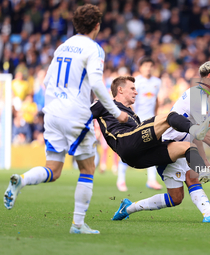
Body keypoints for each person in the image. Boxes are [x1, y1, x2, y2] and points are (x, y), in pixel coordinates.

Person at [3, 4, 128, 234]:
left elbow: (46, 82)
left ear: (76, 25)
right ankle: (78, 225)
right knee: (88, 168)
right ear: (97, 26)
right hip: (75, 114)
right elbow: (97, 84)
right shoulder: (94, 49)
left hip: (52, 113)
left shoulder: (62, 47)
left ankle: (22, 180)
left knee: (54, 169)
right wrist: (116, 111)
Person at [112, 61, 210, 223]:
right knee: (181, 191)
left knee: (183, 189)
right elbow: (204, 135)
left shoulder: (199, 96)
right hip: (167, 147)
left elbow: (197, 134)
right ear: (209, 77)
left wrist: (204, 160)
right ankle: (208, 214)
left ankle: (208, 214)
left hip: (182, 147)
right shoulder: (196, 97)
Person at [91, 75, 210, 185]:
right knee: (169, 117)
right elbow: (83, 115)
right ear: (120, 89)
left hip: (137, 158)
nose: (136, 92)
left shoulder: (134, 116)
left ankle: (203, 171)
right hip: (125, 141)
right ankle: (196, 130)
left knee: (188, 147)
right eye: (132, 89)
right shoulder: (105, 103)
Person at [116, 57, 162, 192]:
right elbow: (129, 100)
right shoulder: (135, 81)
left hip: (150, 119)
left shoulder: (157, 82)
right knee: (129, 150)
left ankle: (152, 180)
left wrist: (155, 116)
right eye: (145, 65)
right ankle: (121, 179)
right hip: (136, 120)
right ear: (140, 67)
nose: (148, 68)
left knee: (152, 148)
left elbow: (157, 100)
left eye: (150, 65)